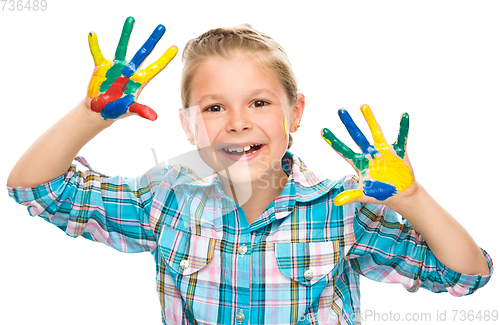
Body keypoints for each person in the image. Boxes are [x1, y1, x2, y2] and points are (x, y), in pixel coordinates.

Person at [6, 16, 493, 325]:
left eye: (259, 102)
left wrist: (411, 199)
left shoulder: (341, 209)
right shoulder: (165, 199)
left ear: (295, 113)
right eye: (214, 108)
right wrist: (92, 113)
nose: (238, 122)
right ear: (188, 125)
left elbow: (465, 276)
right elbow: (36, 189)